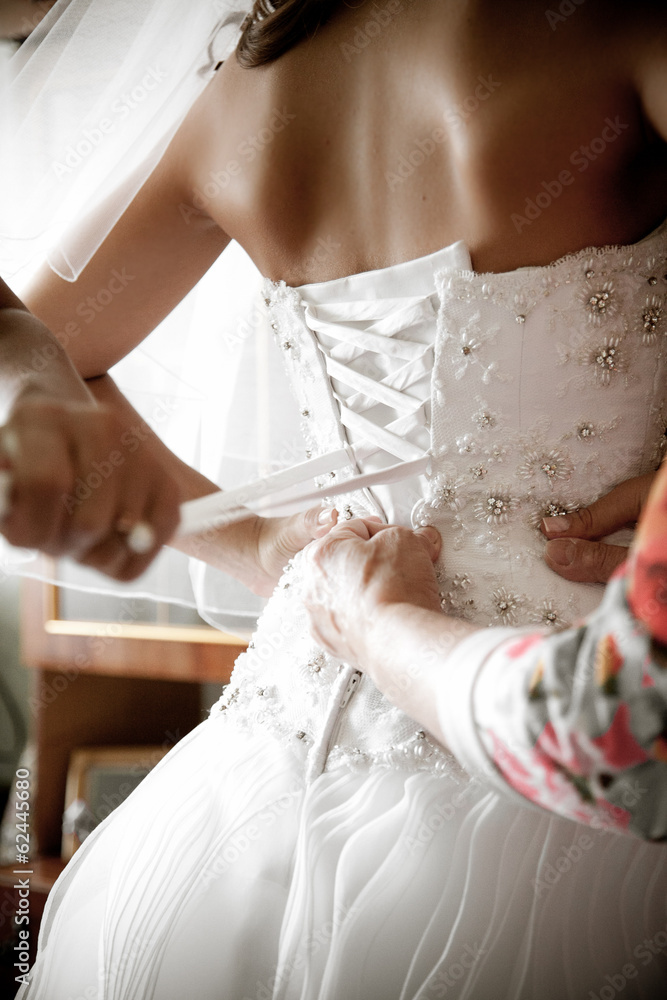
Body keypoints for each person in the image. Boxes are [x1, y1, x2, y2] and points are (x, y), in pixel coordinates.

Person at [0, 0, 665, 997]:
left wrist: (264, 544)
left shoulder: (245, 101)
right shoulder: (618, 32)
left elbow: (49, 349)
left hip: (269, 762)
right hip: (560, 721)